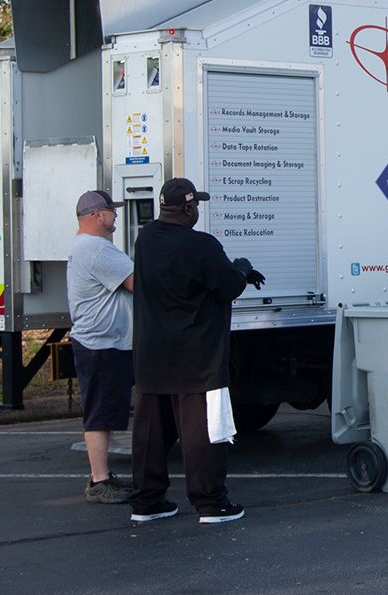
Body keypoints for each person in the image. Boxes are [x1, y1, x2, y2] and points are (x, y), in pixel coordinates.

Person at [128, 178, 265, 524]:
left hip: (150, 355)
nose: (198, 210)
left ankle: (147, 501)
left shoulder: (144, 240)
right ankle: (211, 503)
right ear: (189, 208)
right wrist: (243, 269)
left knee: (150, 434)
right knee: (203, 433)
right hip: (195, 358)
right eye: (197, 205)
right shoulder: (201, 245)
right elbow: (228, 285)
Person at [66, 190, 135, 504]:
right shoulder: (97, 249)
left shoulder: (86, 246)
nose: (116, 215)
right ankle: (99, 481)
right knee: (99, 412)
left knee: (104, 411)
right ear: (96, 215)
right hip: (101, 344)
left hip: (99, 342)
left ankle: (102, 477)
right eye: (111, 210)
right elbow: (139, 282)